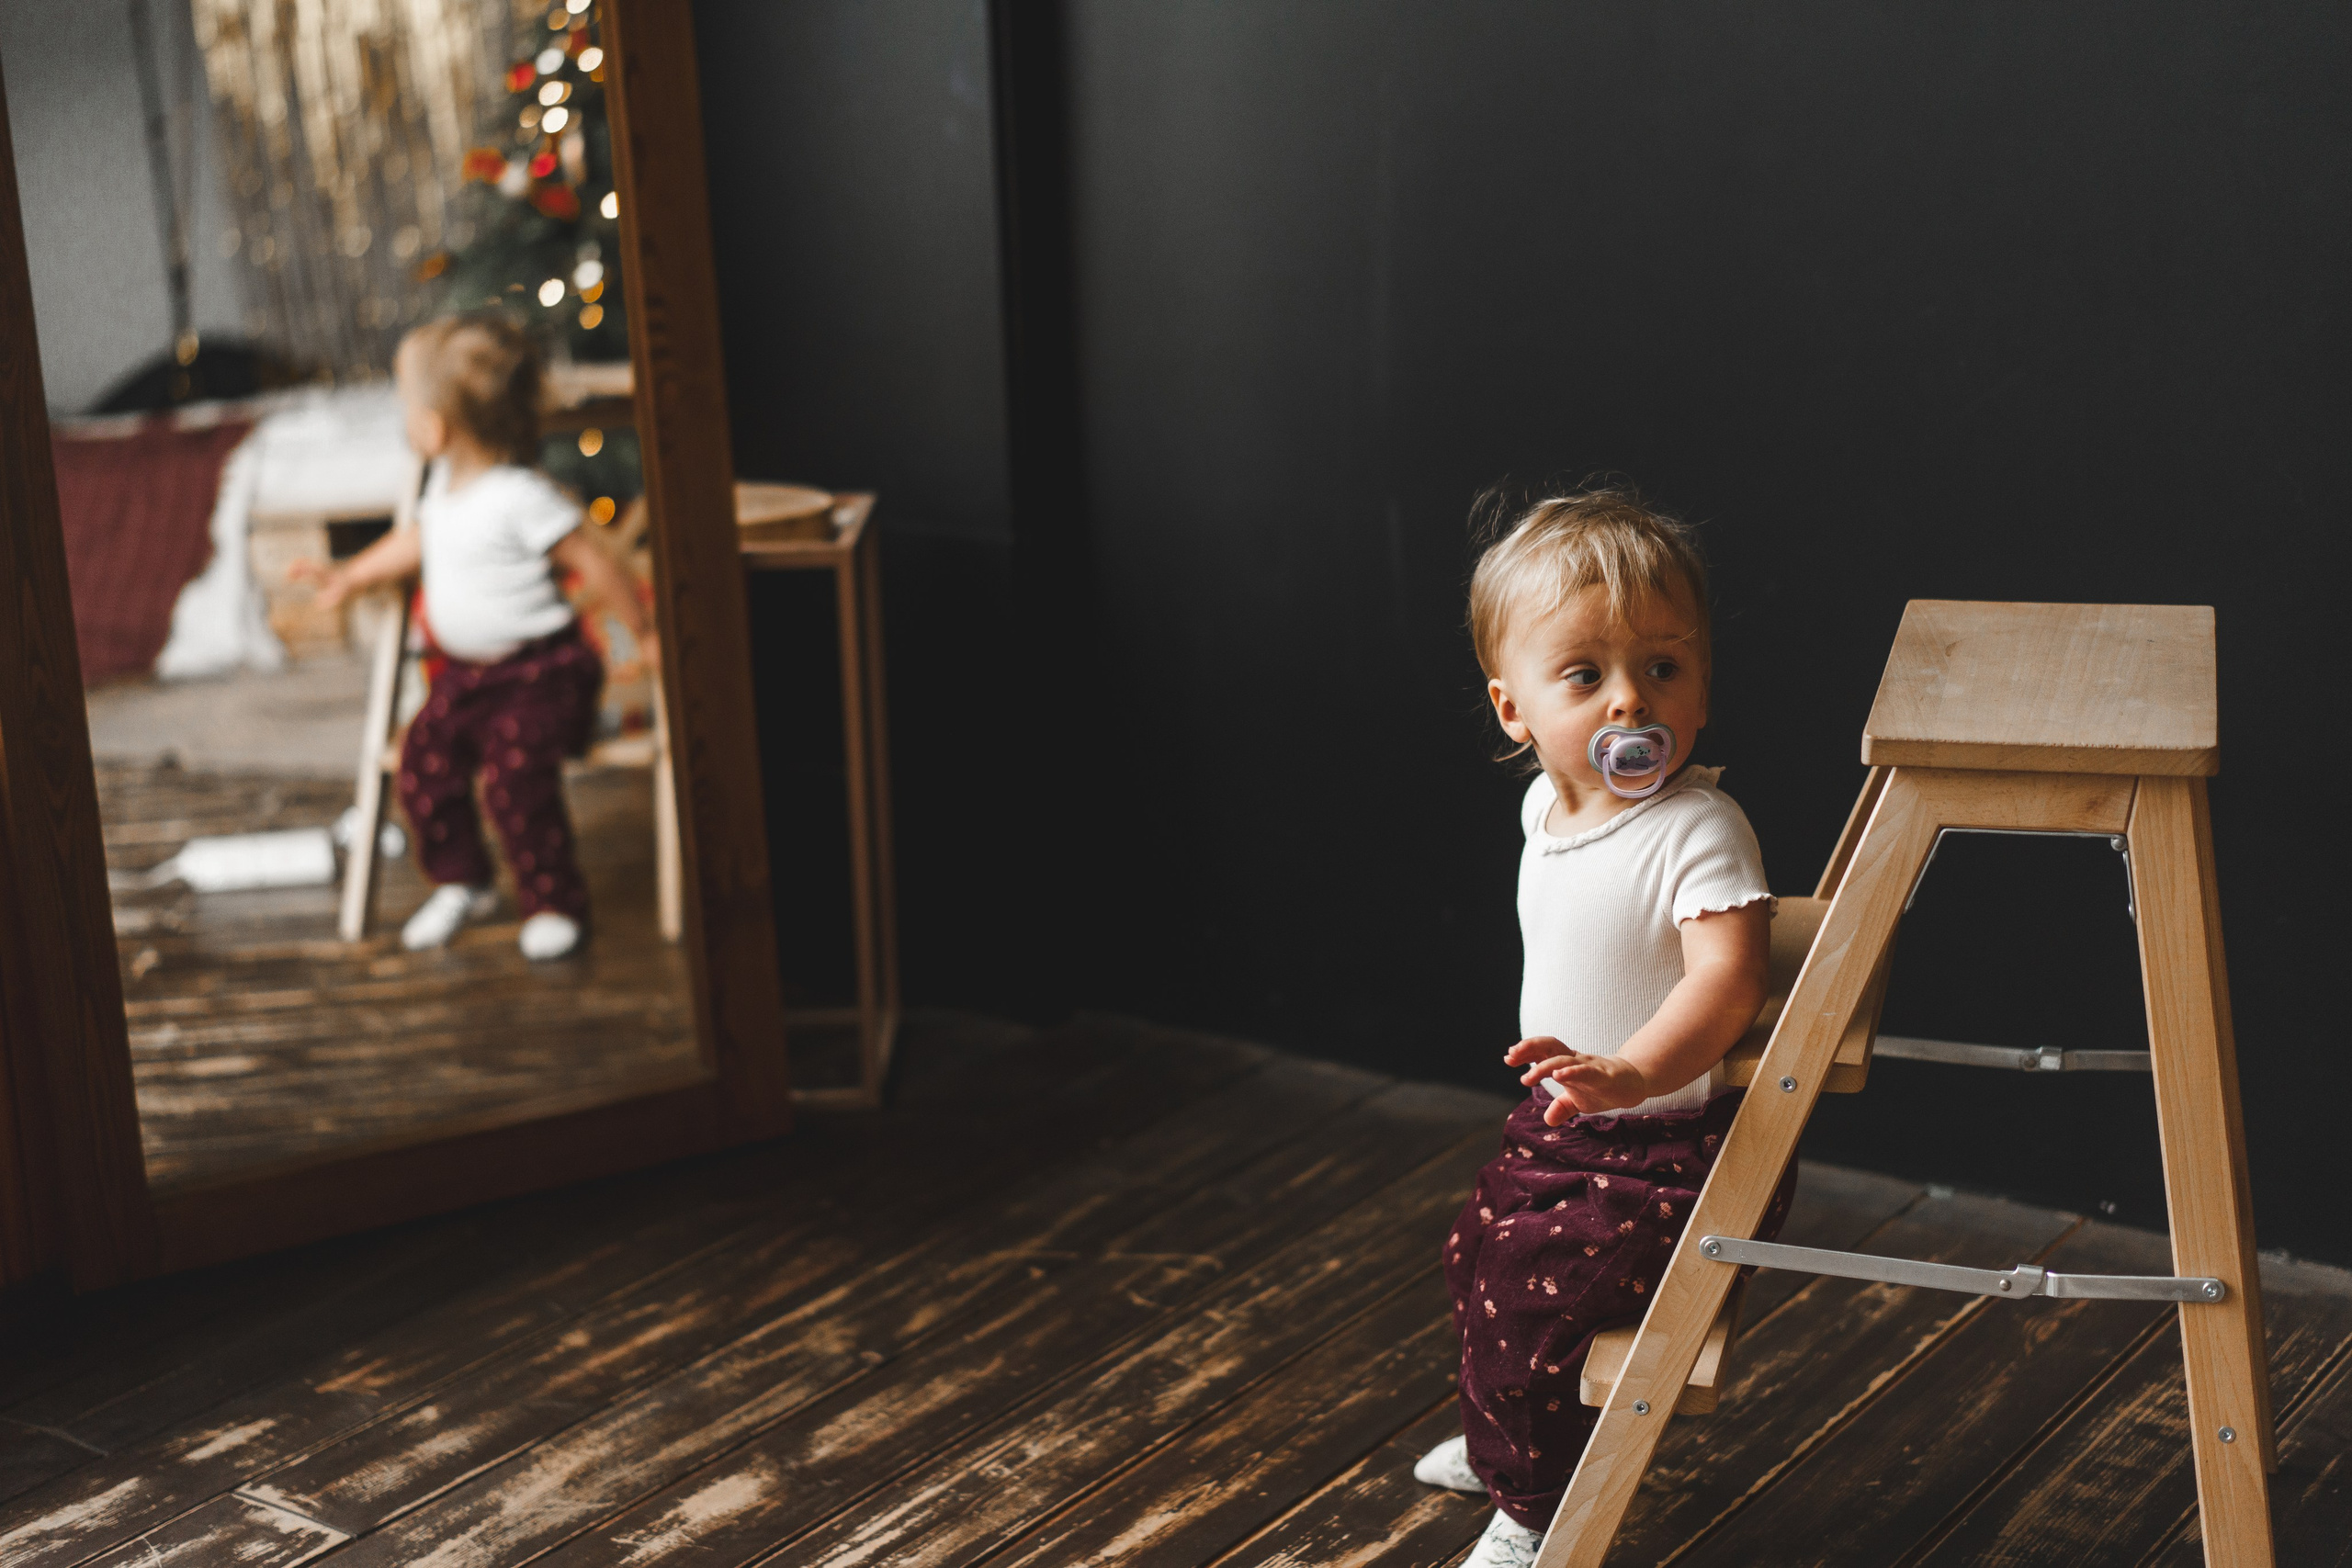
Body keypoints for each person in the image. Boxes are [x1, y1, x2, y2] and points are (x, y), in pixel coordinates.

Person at [1415, 489, 1794, 1567]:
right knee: (1476, 1262)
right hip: (1559, 1121)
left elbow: (1727, 985)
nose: (1631, 702)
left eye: (1663, 669)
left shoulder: (1699, 831)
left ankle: (1531, 1511)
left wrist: (1632, 1071)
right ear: (1514, 711)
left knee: (1540, 1312)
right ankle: (1507, 1447)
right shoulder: (1548, 803)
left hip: (1655, 1147)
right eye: (1584, 677)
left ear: (1703, 683)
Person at [299, 314, 655, 961]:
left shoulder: (520, 495)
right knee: (421, 759)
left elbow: (597, 561)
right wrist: (351, 574)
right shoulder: (443, 491)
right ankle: (464, 879)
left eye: (407, 405)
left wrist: (646, 632)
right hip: (468, 677)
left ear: (434, 427)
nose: (404, 419)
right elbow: (416, 542)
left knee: (514, 776)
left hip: (543, 674)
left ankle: (553, 901)